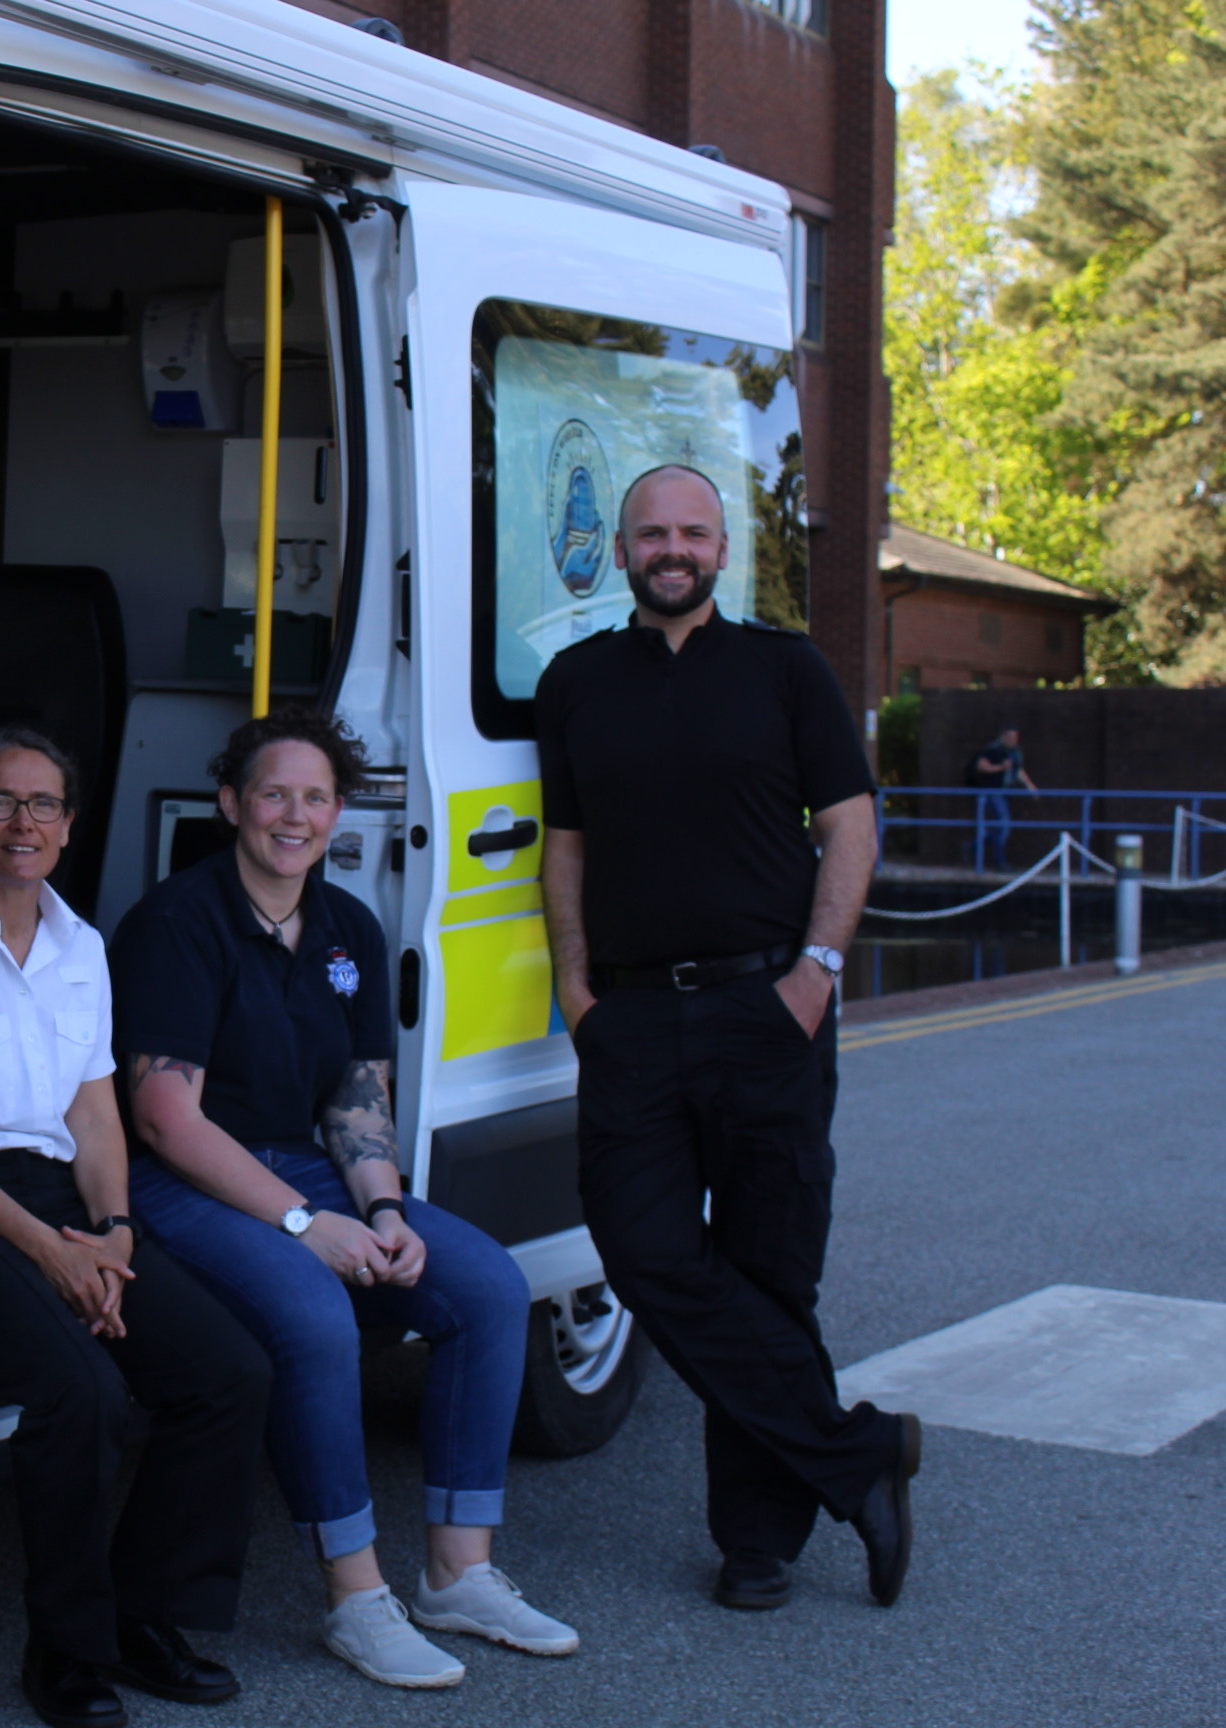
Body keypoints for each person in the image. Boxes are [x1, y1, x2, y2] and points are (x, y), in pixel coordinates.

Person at [111, 710, 577, 1693]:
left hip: (308, 1166)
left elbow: (357, 1099)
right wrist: (302, 1224)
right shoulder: (177, 923)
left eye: (315, 797)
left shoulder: (349, 927)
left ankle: (458, 1573)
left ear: (337, 812)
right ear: (231, 802)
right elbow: (163, 1119)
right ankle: (356, 1596)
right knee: (314, 1314)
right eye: (273, 794)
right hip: (187, 1177)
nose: (295, 816)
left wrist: (385, 1211)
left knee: (490, 1287)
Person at [536, 463, 920, 1616]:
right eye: (652, 532)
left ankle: (756, 1543)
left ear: (721, 549)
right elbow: (566, 847)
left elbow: (851, 827)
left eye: (693, 533)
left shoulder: (786, 669)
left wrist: (817, 975)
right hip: (632, 1019)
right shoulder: (574, 681)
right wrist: (576, 989)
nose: (673, 549)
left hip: (769, 1010)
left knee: (768, 1271)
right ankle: (856, 1455)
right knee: (644, 1251)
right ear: (619, 550)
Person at [0, 726, 273, 1728]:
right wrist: (46, 1250)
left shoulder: (84, 947)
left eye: (43, 805)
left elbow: (96, 1113)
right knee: (84, 1393)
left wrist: (112, 1232)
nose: (22, 823)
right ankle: (65, 1653)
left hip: (72, 1199)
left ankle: (144, 1619)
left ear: (69, 825)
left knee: (228, 1373)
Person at [966, 729, 1037, 871]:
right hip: (993, 792)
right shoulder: (993, 750)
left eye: (1015, 738)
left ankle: (971, 846)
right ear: (1003, 737)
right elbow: (981, 766)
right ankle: (999, 862)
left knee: (1002, 828)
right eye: (1010, 737)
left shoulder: (1014, 752)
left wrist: (1030, 786)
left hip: (1005, 793)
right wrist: (1001, 767)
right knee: (1003, 826)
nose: (1013, 740)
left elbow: (1017, 770)